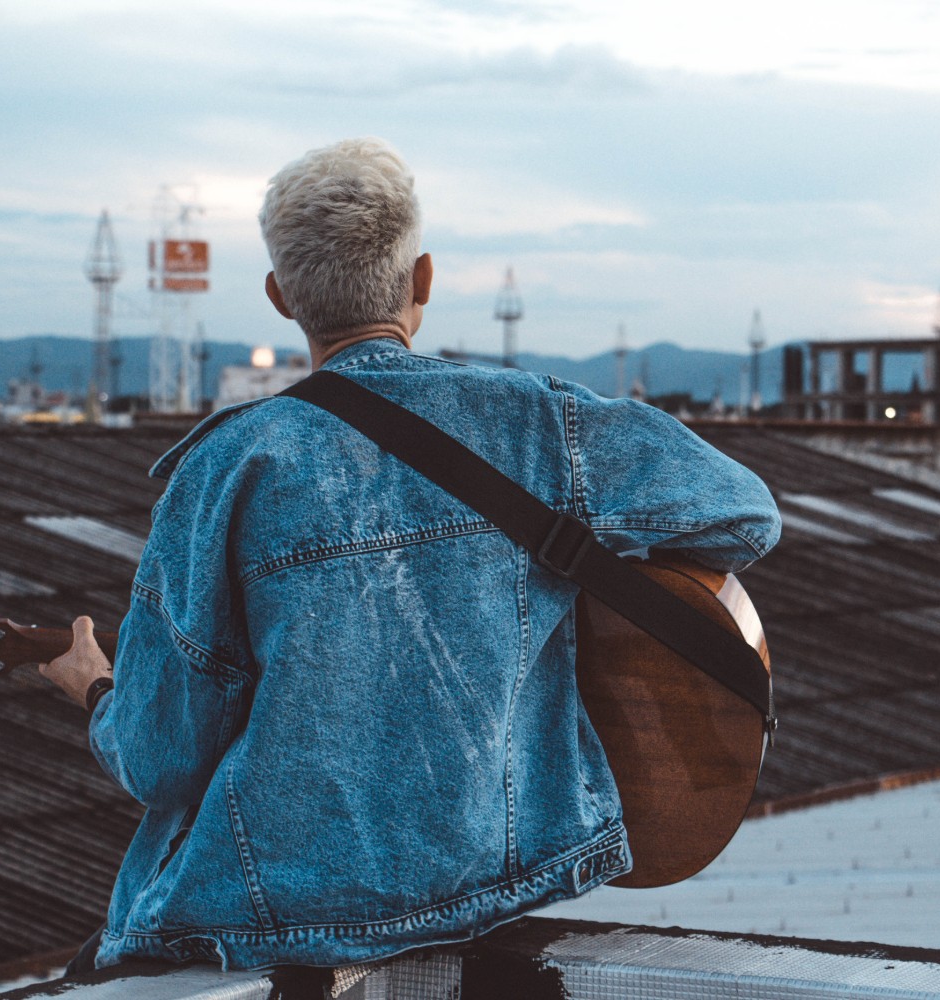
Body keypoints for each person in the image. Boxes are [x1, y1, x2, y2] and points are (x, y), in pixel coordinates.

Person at [40, 137, 780, 973]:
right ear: (422, 281)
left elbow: (161, 760)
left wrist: (99, 690)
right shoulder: (539, 423)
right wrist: (567, 602)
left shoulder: (226, 469)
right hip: (501, 882)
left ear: (282, 297)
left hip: (269, 920)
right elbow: (744, 515)